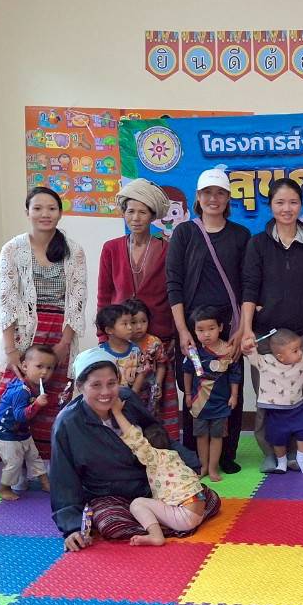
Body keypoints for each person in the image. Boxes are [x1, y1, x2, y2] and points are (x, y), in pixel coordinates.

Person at [50, 348, 218, 551]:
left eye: (111, 383)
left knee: (207, 497)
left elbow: (157, 434)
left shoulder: (127, 399)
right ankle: (173, 523)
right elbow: (63, 478)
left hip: (151, 484)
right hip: (109, 493)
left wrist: (189, 463)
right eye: (96, 385)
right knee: (110, 523)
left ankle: (163, 522)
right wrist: (72, 526)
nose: (105, 392)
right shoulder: (67, 423)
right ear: (80, 386)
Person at [0, 186, 87, 463]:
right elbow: (6, 300)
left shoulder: (74, 250)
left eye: (51, 208)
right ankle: (13, 463)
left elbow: (77, 298)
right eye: (37, 208)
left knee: (55, 396)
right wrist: (10, 349)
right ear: (27, 212)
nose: (44, 214)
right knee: (14, 395)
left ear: (60, 213)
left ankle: (51, 461)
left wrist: (65, 342)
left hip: (59, 333)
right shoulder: (13, 249)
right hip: (23, 333)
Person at [167, 165, 251, 473]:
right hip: (193, 326)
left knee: (230, 384)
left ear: (228, 198)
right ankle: (195, 456)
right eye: (207, 193)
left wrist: (242, 328)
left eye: (219, 193)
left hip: (229, 325)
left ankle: (226, 456)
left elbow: (248, 284)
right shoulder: (184, 233)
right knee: (194, 387)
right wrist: (182, 330)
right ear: (197, 197)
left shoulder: (240, 235)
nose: (213, 199)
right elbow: (174, 283)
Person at [240, 178, 303, 469]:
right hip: (264, 336)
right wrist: (247, 329)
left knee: (297, 396)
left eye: (293, 202)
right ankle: (270, 452)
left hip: (301, 334)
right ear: (270, 206)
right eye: (280, 202)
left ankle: (295, 453)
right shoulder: (258, 243)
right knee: (266, 398)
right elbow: (250, 288)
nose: (286, 208)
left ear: (301, 205)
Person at [97, 178, 180, 448]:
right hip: (120, 341)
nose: (136, 218)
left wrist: (174, 334)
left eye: (142, 212)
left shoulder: (167, 249)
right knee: (122, 400)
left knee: (158, 400)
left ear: (153, 216)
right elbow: (104, 294)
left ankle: (163, 452)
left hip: (158, 339)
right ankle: (124, 452)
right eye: (130, 211)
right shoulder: (111, 248)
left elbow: (174, 294)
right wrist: (103, 337)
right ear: (123, 213)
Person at [108, 402, 213, 546]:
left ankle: (156, 535)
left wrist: (117, 413)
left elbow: (135, 439)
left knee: (137, 504)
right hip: (199, 511)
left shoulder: (153, 457)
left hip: (184, 516)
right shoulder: (174, 455)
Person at [244, 327, 303, 476]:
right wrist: (249, 345)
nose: (300, 352)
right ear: (280, 356)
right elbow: (251, 355)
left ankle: (301, 460)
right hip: (275, 411)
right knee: (278, 438)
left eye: (300, 348)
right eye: (295, 350)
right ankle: (281, 462)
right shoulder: (266, 361)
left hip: (297, 408)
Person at [182, 306, 242, 483]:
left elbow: (235, 375)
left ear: (220, 327)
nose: (206, 334)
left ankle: (214, 467)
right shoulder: (194, 353)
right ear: (194, 331)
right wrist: (187, 394)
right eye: (200, 330)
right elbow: (187, 372)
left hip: (221, 404)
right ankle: (203, 466)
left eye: (211, 328)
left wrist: (234, 395)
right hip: (199, 403)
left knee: (217, 436)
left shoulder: (228, 350)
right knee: (201, 436)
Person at [0, 345, 56, 501]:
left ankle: (45, 482)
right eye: (39, 366)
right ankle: (4, 488)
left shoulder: (32, 387)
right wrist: (37, 404)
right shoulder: (21, 390)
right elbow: (20, 416)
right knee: (14, 462)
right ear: (25, 366)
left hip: (21, 431)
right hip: (5, 431)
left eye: (49, 368)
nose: (44, 372)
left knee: (34, 456)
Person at [123, 298, 175, 441]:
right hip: (129, 391)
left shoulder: (154, 342)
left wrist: (158, 385)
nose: (139, 326)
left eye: (143, 321)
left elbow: (162, 364)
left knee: (151, 419)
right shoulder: (123, 343)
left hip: (150, 390)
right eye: (134, 322)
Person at [96, 304, 139, 385]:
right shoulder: (101, 354)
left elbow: (141, 375)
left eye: (131, 322)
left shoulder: (136, 350)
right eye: (125, 324)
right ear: (109, 330)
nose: (130, 327)